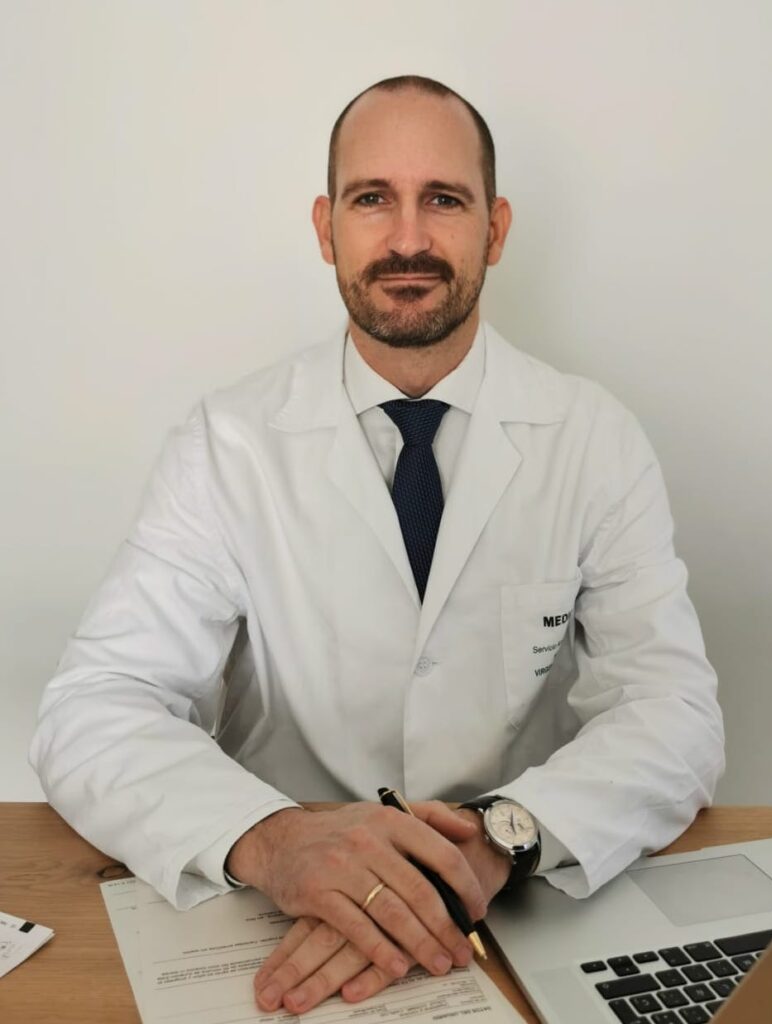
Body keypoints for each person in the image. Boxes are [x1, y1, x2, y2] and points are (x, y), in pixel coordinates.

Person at [30, 74, 724, 1015]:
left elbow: (673, 713)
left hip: (511, 913)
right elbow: (94, 708)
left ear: (496, 228)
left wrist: (495, 840)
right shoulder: (226, 444)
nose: (407, 239)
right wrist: (275, 841)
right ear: (326, 229)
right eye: (371, 199)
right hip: (276, 924)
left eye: (444, 199)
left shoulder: (594, 439)